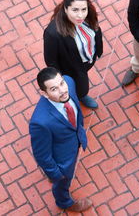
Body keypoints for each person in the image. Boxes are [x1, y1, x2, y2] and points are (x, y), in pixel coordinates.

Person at [29, 67, 92, 212]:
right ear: (44, 94)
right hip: (62, 160)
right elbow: (42, 155)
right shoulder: (40, 122)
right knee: (62, 183)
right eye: (54, 89)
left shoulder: (69, 82)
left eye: (61, 84)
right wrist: (56, 174)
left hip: (73, 142)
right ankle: (64, 202)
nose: (63, 90)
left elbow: (77, 112)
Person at [44, 0, 103, 109]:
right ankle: (80, 97)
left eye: (83, 9)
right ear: (66, 9)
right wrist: (61, 81)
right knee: (81, 86)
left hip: (87, 59)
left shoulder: (89, 14)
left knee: (82, 80)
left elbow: (96, 30)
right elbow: (51, 61)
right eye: (75, 10)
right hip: (71, 69)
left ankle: (81, 94)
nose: (80, 15)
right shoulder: (53, 33)